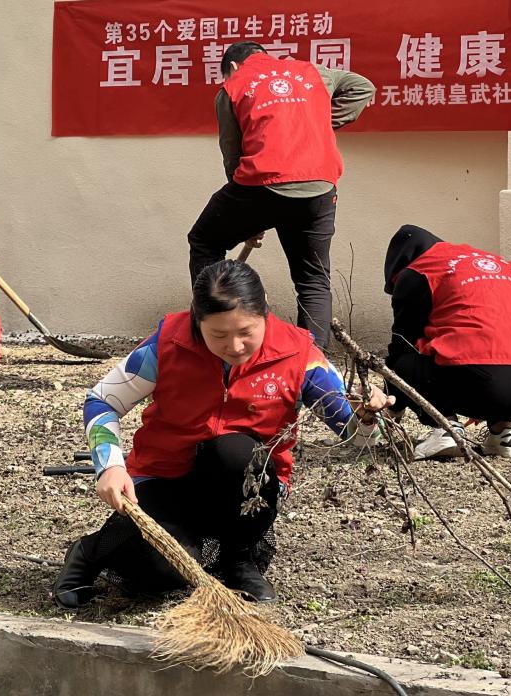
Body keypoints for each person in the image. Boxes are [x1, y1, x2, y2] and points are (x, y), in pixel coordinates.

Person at [52, 260, 391, 608]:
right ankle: (88, 553)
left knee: (238, 453)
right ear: (197, 321)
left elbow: (357, 434)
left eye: (246, 331)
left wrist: (367, 418)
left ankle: (238, 560)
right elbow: (102, 401)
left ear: (265, 311)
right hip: (164, 477)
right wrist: (109, 465)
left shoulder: (299, 355)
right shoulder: (167, 344)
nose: (236, 345)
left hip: (240, 484)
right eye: (218, 335)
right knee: (165, 572)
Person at [187, 41, 375, 349]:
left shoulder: (234, 85)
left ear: (232, 67)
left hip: (261, 183)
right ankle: (313, 363)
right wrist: (311, 121)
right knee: (313, 280)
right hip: (319, 187)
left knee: (204, 241)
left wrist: (245, 216)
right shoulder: (311, 72)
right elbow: (362, 87)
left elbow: (233, 154)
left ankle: (211, 336)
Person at [382, 224, 511, 460]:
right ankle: (505, 433)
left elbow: (402, 343)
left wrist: (391, 406)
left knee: (405, 358)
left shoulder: (419, 270)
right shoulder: (500, 264)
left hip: (479, 380)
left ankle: (446, 429)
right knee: (494, 347)